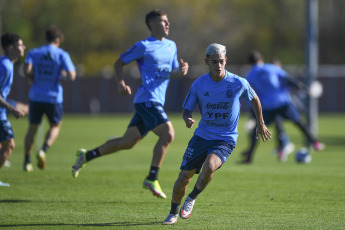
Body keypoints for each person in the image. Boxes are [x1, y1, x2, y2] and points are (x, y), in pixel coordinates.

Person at [71, 9, 189, 199]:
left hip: (155, 101)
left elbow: (171, 72)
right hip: (147, 100)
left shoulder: (171, 46)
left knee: (127, 143)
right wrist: (120, 83)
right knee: (168, 134)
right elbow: (119, 63)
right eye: (163, 21)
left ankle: (86, 156)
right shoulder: (143, 46)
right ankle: (152, 177)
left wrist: (181, 70)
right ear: (152, 24)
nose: (168, 24)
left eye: (168, 21)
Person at [163, 43, 271, 224]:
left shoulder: (238, 83)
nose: (219, 66)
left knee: (210, 166)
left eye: (221, 61)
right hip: (202, 136)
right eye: (214, 62)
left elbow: (254, 99)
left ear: (226, 60)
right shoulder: (199, 84)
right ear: (207, 62)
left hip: (225, 139)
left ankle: (192, 198)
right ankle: (173, 212)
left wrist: (261, 123)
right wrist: (187, 118)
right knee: (183, 178)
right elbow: (186, 110)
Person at [241, 50, 324, 163]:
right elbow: (288, 79)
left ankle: (249, 156)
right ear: (261, 60)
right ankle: (315, 142)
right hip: (283, 102)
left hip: (267, 106)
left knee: (258, 130)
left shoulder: (249, 76)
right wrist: (304, 87)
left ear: (250, 63)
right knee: (298, 122)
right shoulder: (272, 67)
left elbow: (249, 95)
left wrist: (252, 115)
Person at [23, 25, 76, 172]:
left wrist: (32, 77)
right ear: (58, 40)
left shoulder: (34, 52)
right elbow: (72, 75)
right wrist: (63, 75)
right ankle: (43, 150)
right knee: (55, 125)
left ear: (45, 39)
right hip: (53, 98)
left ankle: (27, 161)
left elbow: (26, 70)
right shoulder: (62, 54)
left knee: (32, 128)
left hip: (35, 95)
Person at [0, 33, 26, 185]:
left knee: (6, 144)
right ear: (10, 47)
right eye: (20, 45)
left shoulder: (7, 63)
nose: (23, 47)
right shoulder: (5, 65)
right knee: (9, 145)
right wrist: (12, 109)